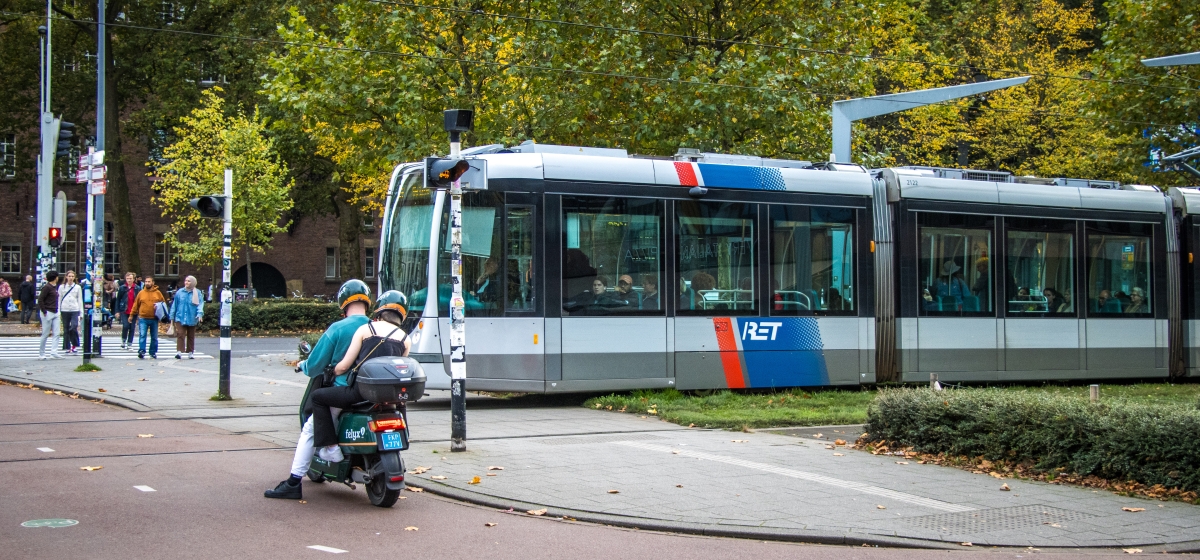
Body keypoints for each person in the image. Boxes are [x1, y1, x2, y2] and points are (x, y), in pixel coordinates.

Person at [264, 280, 373, 501]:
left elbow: (315, 365)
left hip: (342, 391)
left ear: (343, 303)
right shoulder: (374, 326)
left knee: (310, 430)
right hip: (369, 392)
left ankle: (294, 482)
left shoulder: (338, 329)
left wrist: (303, 365)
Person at [308, 290, 412, 465]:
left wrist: (333, 371)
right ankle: (404, 438)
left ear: (379, 310)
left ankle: (331, 447)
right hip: (389, 397)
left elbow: (344, 365)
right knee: (399, 409)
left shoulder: (366, 329)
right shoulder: (405, 339)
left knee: (317, 398)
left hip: (361, 393)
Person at [130, 275, 166, 360]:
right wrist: (132, 315)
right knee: (142, 335)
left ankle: (152, 352)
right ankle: (142, 351)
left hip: (154, 318)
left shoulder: (158, 293)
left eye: (149, 282)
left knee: (154, 337)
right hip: (143, 317)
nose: (147, 283)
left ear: (153, 283)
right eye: (146, 282)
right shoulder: (141, 293)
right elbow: (136, 305)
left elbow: (163, 304)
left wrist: (159, 309)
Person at [170, 275, 204, 360]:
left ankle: (190, 352)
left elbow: (200, 304)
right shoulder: (180, 292)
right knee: (180, 334)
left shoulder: (197, 293)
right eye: (186, 281)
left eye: (189, 281)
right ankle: (179, 352)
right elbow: (175, 304)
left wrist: (199, 314)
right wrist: (172, 316)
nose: (186, 282)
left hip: (192, 317)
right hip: (180, 317)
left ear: (193, 282)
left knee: (191, 335)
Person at [37, 271, 63, 360]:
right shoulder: (47, 287)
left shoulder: (54, 287)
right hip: (48, 312)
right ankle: (41, 353)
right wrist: (44, 311)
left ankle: (54, 352)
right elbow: (40, 300)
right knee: (45, 333)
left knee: (57, 333)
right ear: (55, 278)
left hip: (55, 311)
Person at [58, 270, 83, 353]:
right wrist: (58, 311)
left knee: (74, 326)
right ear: (66, 277)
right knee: (66, 329)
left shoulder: (77, 287)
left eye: (72, 276)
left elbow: (80, 300)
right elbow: (59, 299)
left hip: (74, 309)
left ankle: (74, 345)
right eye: (69, 276)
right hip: (64, 309)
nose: (71, 278)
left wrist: (81, 312)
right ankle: (67, 346)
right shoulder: (62, 287)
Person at [116, 272, 141, 349]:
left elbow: (139, 300)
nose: (129, 280)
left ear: (133, 279)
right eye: (127, 279)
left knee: (132, 327)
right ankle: (123, 340)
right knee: (126, 325)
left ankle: (129, 343)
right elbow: (118, 299)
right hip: (124, 310)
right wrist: (117, 311)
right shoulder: (122, 288)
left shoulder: (137, 288)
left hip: (133, 311)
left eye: (130, 279)